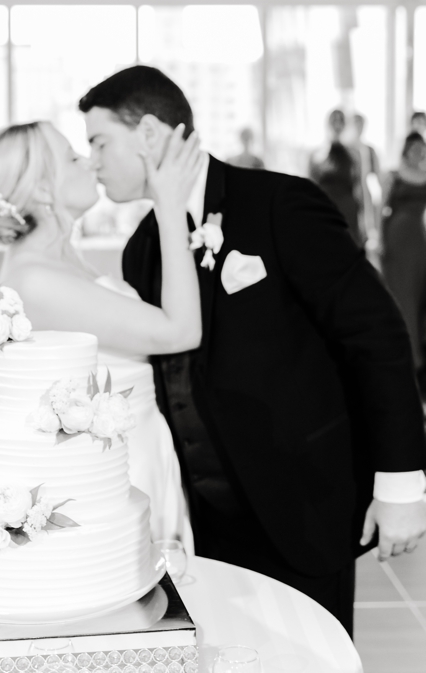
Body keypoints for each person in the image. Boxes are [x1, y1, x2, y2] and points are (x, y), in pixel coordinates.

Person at [80, 64, 426, 637]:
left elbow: (376, 334)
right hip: (205, 525)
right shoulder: (141, 249)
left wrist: (400, 483)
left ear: (148, 134)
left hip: (305, 503)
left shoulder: (279, 203)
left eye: (99, 142)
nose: (92, 161)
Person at [0, 121, 201, 549]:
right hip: (116, 469)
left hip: (142, 441)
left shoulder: (56, 258)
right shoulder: (35, 280)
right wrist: (170, 207)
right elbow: (180, 331)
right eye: (73, 157)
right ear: (41, 190)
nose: (90, 162)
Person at [381, 132, 426, 382]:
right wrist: (380, 240)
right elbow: (381, 210)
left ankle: (418, 356)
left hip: (419, 241)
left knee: (418, 297)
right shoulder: (394, 175)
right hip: (397, 238)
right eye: (416, 148)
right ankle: (405, 354)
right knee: (401, 296)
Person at [308, 109, 365, 248]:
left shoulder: (354, 154)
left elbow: (359, 187)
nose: (337, 124)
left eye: (341, 121)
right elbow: (310, 186)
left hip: (347, 208)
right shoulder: (317, 154)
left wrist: (364, 221)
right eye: (334, 120)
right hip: (325, 207)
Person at [345, 113, 383, 250]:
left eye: (360, 124)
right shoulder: (343, 150)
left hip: (364, 195)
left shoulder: (369, 150)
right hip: (347, 197)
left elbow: (378, 178)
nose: (358, 128)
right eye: (355, 124)